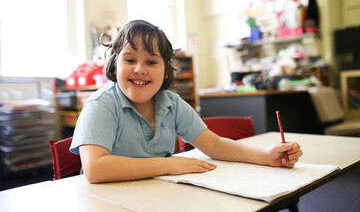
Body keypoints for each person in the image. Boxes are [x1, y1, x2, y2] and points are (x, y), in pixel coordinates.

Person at [70, 20, 303, 184]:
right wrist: (168, 165)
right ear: (114, 65)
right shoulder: (101, 105)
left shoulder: (171, 103)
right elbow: (95, 169)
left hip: (152, 194)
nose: (139, 69)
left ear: (165, 69)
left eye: (151, 62)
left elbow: (215, 145)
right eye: (129, 59)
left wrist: (265, 156)